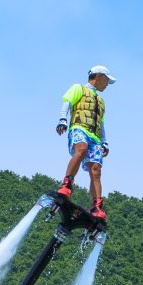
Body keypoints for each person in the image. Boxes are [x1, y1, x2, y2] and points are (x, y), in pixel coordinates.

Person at [55, 65, 114, 223]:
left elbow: (101, 124)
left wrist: (105, 142)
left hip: (95, 136)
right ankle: (67, 184)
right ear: (99, 76)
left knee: (96, 169)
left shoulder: (101, 101)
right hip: (79, 128)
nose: (107, 84)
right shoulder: (78, 88)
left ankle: (96, 206)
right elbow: (67, 102)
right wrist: (62, 119)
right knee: (81, 149)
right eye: (107, 80)